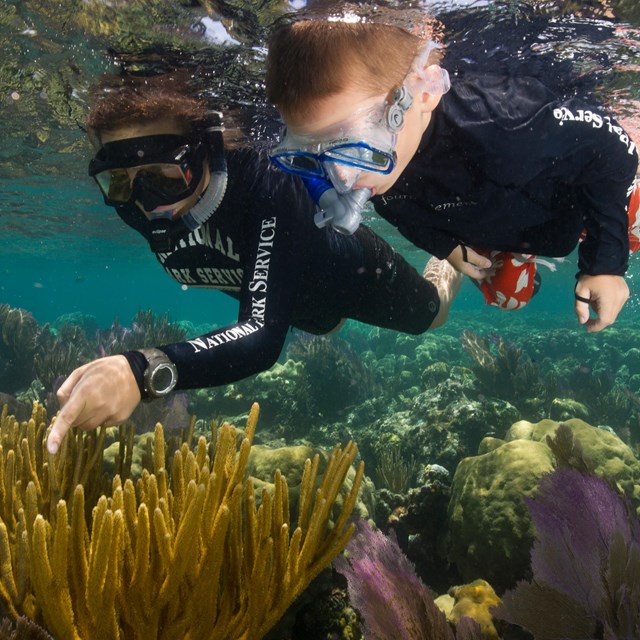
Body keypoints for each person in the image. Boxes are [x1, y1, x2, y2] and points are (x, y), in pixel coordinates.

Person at [46, 74, 461, 454]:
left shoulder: (266, 181)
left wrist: (142, 370)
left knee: (433, 313)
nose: (146, 202)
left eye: (168, 175)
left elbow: (261, 338)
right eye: (118, 181)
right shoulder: (140, 206)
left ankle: (452, 258)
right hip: (294, 306)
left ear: (207, 151)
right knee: (317, 320)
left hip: (351, 275)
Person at [265, 3, 639, 331]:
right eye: (311, 153)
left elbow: (610, 148)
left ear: (423, 92)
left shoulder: (501, 120)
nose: (340, 178)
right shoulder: (381, 173)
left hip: (577, 196)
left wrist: (606, 263)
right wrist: (445, 248)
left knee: (633, 221)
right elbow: (403, 213)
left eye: (357, 144)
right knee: (508, 299)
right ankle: (522, 255)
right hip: (510, 226)